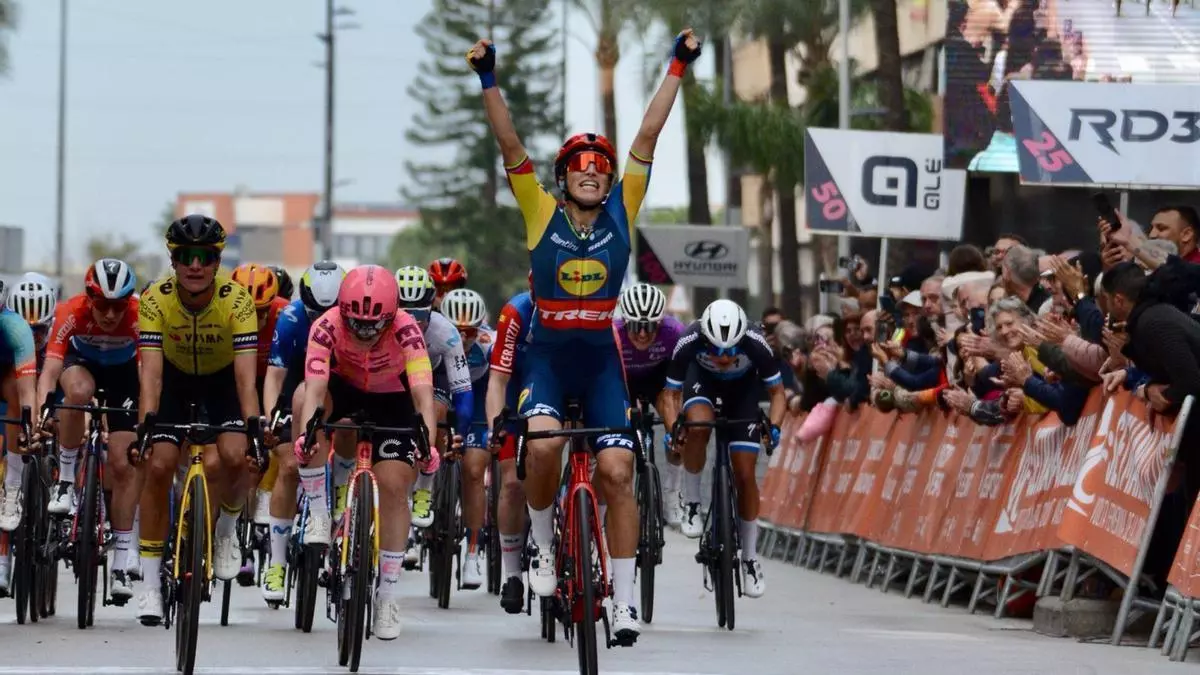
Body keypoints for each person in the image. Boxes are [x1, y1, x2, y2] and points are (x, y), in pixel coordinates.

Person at [471, 25, 699, 643]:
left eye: (601, 166)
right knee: (542, 450)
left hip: (601, 361)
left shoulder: (623, 209)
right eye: (580, 165)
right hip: (548, 359)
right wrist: (488, 77)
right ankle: (544, 547)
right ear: (562, 177)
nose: (593, 172)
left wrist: (677, 65)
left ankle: (623, 602)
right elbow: (508, 141)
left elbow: (647, 136)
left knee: (619, 472)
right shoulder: (539, 212)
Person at [293, 264, 441, 640]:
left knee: (393, 486)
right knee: (302, 401)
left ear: (391, 316)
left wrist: (428, 445)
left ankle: (387, 596)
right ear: (342, 311)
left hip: (392, 398)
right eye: (355, 323)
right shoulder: (326, 325)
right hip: (343, 388)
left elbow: (423, 394)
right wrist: (307, 435)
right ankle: (319, 514)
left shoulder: (407, 329)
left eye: (374, 326)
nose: (363, 332)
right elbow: (315, 388)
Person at [133, 214, 263, 625]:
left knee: (237, 455)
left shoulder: (237, 301)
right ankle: (150, 585)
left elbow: (245, 381)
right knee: (159, 465)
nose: (194, 265)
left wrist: (254, 428)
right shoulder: (154, 299)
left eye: (204, 257)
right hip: (173, 381)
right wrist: (146, 424)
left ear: (217, 261)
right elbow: (151, 376)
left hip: (222, 382)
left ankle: (226, 529)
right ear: (173, 260)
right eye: (186, 256)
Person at [662, 299, 785, 600]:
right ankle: (693, 502)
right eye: (716, 350)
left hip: (743, 391)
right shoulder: (689, 339)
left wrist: (775, 426)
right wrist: (673, 429)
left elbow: (777, 393)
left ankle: (750, 558)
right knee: (698, 426)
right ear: (705, 338)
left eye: (731, 351)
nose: (724, 358)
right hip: (701, 384)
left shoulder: (756, 343)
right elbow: (670, 394)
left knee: (745, 473)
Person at [34, 259, 142, 601]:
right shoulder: (71, 311)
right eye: (102, 305)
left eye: (118, 306)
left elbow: (148, 373)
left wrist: (147, 418)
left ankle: (122, 561)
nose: (110, 314)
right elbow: (50, 370)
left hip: (124, 375)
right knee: (77, 393)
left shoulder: (139, 316)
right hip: (81, 365)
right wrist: (41, 411)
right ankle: (66, 482)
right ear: (89, 298)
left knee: (124, 463)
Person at [259, 261, 345, 605]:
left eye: (330, 312)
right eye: (315, 313)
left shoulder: (354, 320)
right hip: (297, 384)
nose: (322, 320)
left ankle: (340, 496)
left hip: (338, 385)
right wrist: (271, 418)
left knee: (349, 433)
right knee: (289, 466)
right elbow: (275, 375)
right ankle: (277, 563)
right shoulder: (291, 318)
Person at [392, 266, 471, 565]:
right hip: (395, 375)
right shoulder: (382, 325)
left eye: (419, 315)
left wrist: (459, 432)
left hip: (433, 375)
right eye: (405, 313)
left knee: (436, 414)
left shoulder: (445, 332)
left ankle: (425, 488)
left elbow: (463, 390)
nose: (412, 322)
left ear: (432, 309)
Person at [614, 283, 686, 524]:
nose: (643, 334)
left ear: (661, 323)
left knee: (677, 425)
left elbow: (681, 378)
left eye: (650, 326)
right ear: (625, 322)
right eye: (636, 326)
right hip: (624, 380)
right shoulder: (613, 332)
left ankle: (672, 494)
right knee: (619, 433)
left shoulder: (674, 332)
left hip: (659, 380)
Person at [439, 288, 494, 590]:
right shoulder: (432, 337)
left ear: (481, 326)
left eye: (470, 331)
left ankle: (472, 552)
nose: (462, 338)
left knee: (474, 471)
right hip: (443, 393)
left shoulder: (488, 344)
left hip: (477, 401)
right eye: (456, 330)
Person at [485, 286, 535, 613]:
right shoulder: (516, 313)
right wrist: (496, 427)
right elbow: (497, 381)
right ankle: (513, 573)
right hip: (516, 387)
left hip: (560, 385)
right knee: (513, 483)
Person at [230, 264, 288, 529]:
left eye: (262, 312)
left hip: (275, 377)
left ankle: (267, 494)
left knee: (279, 437)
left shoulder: (285, 315)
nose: (255, 320)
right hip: (240, 379)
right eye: (248, 313)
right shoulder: (224, 315)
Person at [0, 277, 41, 535]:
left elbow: (28, 391)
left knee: (17, 393)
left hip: (7, 373)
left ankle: (13, 485)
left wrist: (30, 428)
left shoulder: (16, 328)